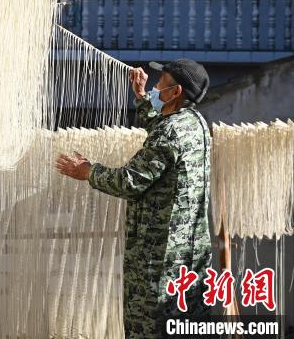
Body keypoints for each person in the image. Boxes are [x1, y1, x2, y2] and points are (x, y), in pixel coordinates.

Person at [54, 58, 213, 339]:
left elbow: (129, 182)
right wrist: (141, 97)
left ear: (176, 92)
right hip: (188, 259)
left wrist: (88, 172)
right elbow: (160, 135)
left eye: (160, 83)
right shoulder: (196, 124)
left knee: (149, 328)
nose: (154, 87)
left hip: (159, 262)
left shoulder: (170, 133)